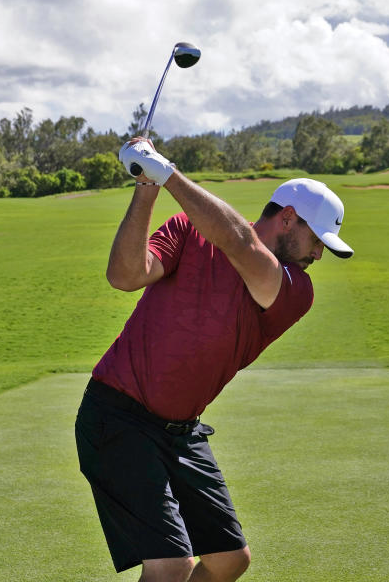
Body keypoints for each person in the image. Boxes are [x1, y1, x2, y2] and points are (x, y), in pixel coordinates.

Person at [75, 137, 353, 581]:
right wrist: (146, 185)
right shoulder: (189, 231)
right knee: (171, 565)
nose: (319, 253)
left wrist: (167, 173)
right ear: (287, 219)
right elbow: (125, 275)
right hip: (117, 416)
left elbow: (241, 242)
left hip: (180, 432)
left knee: (228, 559)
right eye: (316, 240)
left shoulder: (295, 290)